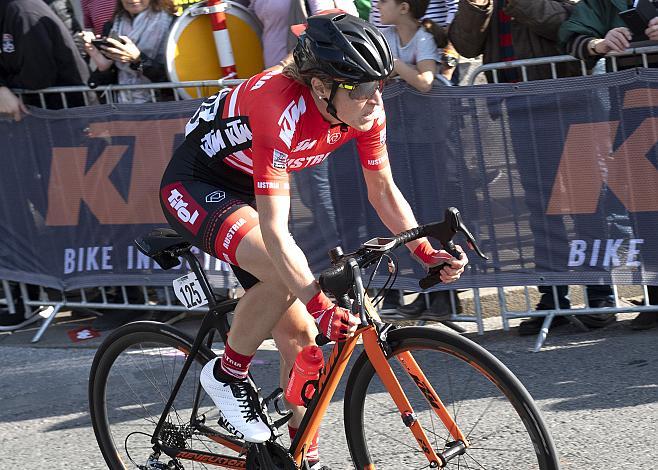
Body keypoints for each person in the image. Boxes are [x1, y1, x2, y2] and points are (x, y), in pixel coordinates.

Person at [159, 12, 468, 468]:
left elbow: (381, 189)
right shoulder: (276, 104)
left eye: (379, 86)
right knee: (291, 281)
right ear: (323, 86)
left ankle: (305, 458)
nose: (373, 99)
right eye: (360, 89)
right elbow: (275, 231)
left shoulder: (363, 109)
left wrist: (423, 249)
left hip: (249, 188)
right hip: (198, 185)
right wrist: (320, 302)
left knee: (305, 343)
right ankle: (227, 373)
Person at [449, 0, 625, 335]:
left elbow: (566, 26)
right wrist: (477, 7)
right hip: (521, 105)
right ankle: (553, 300)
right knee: (541, 206)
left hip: (572, 98)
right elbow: (466, 45)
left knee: (586, 201)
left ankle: (599, 296)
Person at [559, 0, 658, 331]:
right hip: (631, 109)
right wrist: (598, 44)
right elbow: (573, 35)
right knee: (644, 205)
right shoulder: (604, 2)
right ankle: (656, 295)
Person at [82, 0, 175, 103]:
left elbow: (177, 81)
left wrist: (139, 60)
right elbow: (101, 90)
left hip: (165, 110)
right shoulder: (112, 27)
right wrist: (104, 68)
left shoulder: (173, 25)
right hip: (123, 110)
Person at [377, 0, 450, 92]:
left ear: (403, 8)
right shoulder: (386, 36)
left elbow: (425, 84)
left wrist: (394, 63)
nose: (377, 6)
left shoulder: (424, 37)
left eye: (383, 1)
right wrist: (410, 69)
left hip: (425, 104)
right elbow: (378, 79)